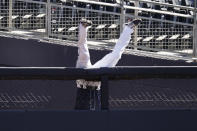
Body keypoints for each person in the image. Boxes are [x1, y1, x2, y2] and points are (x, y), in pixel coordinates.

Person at [75, 18, 142, 110]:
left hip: (96, 82)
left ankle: (128, 28)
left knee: (116, 55)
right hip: (83, 83)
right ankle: (83, 27)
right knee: (84, 53)